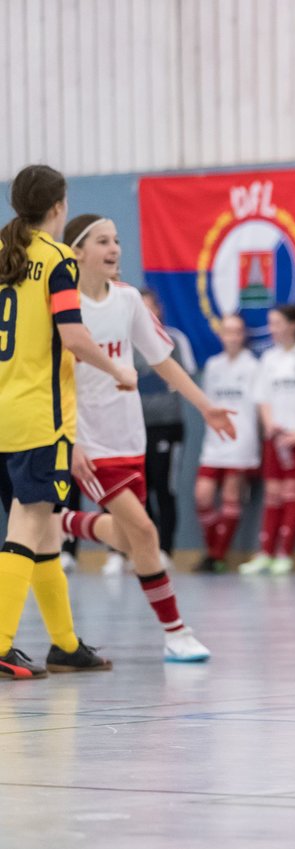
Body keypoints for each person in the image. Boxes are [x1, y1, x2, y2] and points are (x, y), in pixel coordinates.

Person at [63, 214, 227, 662]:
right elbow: (52, 381)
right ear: (77, 252)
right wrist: (71, 441)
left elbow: (164, 361)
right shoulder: (63, 309)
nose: (114, 248)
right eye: (102, 241)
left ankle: (62, 524)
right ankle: (176, 631)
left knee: (133, 537)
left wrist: (205, 405)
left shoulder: (130, 299)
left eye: (116, 240)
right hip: (90, 442)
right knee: (144, 530)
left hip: (130, 437)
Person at [0, 165, 134, 679]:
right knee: (30, 522)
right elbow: (74, 337)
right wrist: (118, 368)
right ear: (57, 207)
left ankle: (64, 643)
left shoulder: (4, 249)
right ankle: (3, 641)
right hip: (40, 414)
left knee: (47, 529)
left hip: (7, 410)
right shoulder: (57, 260)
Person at [240, 305, 295, 575]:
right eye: (270, 323)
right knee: (272, 494)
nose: (272, 329)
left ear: (293, 325)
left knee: (292, 492)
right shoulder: (268, 359)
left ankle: (285, 554)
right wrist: (269, 425)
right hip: (275, 437)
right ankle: (265, 553)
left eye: (277, 323)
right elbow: (262, 397)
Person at [136, 289, 196, 570]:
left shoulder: (174, 340)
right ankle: (143, 550)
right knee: (139, 491)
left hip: (167, 427)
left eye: (151, 309)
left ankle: (166, 550)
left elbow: (181, 378)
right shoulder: (126, 341)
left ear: (159, 310)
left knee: (164, 488)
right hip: (135, 429)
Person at [194, 314, 260, 573]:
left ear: (243, 335)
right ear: (220, 334)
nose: (232, 337)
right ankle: (212, 549)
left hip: (242, 440)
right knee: (203, 495)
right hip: (215, 442)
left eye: (237, 331)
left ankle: (217, 556)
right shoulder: (213, 365)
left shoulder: (253, 366)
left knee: (232, 495)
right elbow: (207, 404)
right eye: (227, 331)